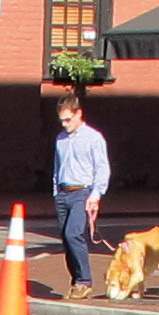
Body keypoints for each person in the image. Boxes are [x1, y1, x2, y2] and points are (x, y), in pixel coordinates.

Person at [49, 96, 109, 297]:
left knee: (73, 234)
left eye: (68, 119)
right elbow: (58, 167)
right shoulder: (60, 139)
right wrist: (56, 191)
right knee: (66, 240)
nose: (65, 124)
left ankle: (85, 280)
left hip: (82, 192)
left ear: (79, 114)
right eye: (62, 121)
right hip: (63, 193)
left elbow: (102, 168)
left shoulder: (93, 138)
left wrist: (95, 195)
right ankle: (76, 281)